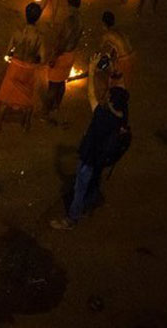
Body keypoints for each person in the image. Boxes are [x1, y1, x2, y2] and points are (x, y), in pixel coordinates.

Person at [51, 87, 130, 230]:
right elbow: (121, 93)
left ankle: (71, 219)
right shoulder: (123, 115)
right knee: (93, 182)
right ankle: (89, 204)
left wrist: (92, 69)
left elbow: (90, 94)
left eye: (108, 95)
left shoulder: (102, 116)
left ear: (111, 101)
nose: (105, 96)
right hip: (101, 159)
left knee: (80, 188)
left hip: (90, 157)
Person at [0, 2, 46, 135]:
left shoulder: (17, 33)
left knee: (6, 99)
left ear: (25, 14)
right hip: (28, 68)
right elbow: (42, 58)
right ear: (38, 17)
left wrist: (12, 56)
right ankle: (26, 125)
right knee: (28, 100)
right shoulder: (39, 37)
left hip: (15, 67)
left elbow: (8, 52)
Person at [44, 0, 84, 115]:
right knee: (61, 82)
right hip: (71, 54)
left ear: (69, 4)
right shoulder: (80, 19)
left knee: (53, 84)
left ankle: (46, 111)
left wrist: (54, 57)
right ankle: (57, 106)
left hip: (63, 55)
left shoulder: (70, 21)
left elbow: (63, 41)